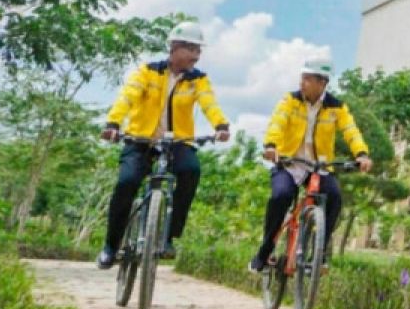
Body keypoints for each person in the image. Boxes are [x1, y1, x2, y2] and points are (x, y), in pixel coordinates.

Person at [96, 21, 230, 269]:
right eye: (192, 49)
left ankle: (169, 236)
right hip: (141, 139)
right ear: (175, 47)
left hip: (178, 141)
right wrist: (114, 123)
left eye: (199, 51)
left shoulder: (198, 80)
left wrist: (220, 126)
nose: (196, 56)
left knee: (190, 170)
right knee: (126, 183)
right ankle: (110, 246)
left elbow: (208, 103)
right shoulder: (147, 72)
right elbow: (127, 97)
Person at [248, 55, 371, 272]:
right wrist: (271, 145)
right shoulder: (290, 101)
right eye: (301, 77)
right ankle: (265, 252)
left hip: (319, 167)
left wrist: (361, 153)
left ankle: (320, 253)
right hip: (289, 163)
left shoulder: (337, 107)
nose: (301, 82)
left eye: (307, 79)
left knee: (334, 197)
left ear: (322, 83)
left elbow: (351, 131)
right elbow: (278, 121)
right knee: (281, 197)